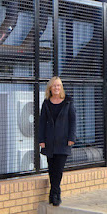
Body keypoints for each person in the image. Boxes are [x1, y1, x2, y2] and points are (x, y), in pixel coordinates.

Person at [38, 76, 76, 206]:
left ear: (61, 87)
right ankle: (53, 193)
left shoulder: (68, 102)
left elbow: (73, 121)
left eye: (58, 85)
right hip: (49, 142)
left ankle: (55, 193)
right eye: (54, 86)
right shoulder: (46, 103)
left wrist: (71, 138)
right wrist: (41, 140)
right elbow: (41, 122)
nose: (56, 88)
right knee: (51, 168)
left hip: (63, 141)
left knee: (58, 169)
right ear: (50, 88)